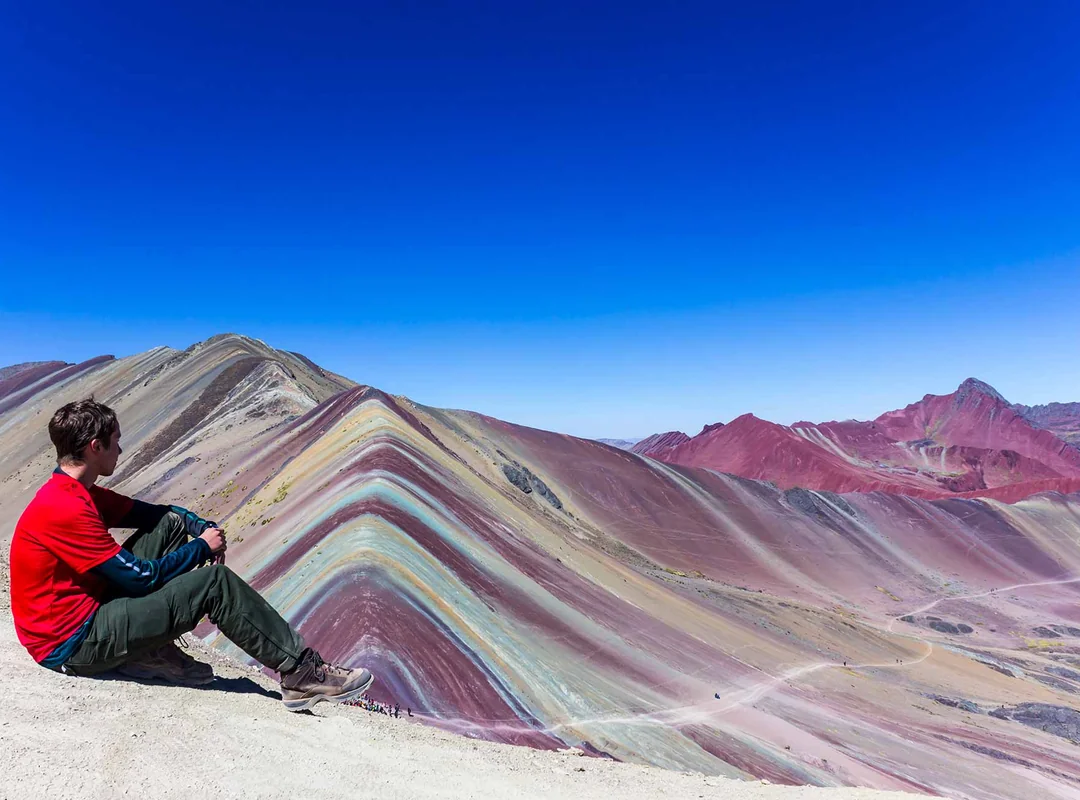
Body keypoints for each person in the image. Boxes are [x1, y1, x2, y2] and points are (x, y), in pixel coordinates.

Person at [8, 397, 375, 712]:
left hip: (83, 614)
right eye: (116, 441)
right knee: (215, 584)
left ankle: (145, 649)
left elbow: (160, 516)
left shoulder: (77, 492)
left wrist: (200, 526)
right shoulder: (67, 509)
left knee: (168, 524)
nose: (121, 449)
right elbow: (140, 577)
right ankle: (301, 674)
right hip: (73, 642)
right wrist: (203, 547)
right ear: (95, 446)